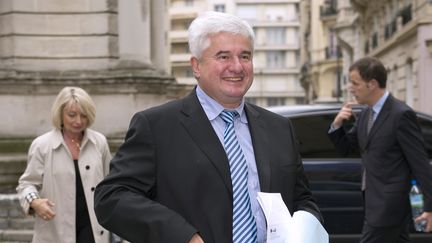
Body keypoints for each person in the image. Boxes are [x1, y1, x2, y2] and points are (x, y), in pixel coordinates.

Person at [94, 11, 322, 243]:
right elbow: (112, 198)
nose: (237, 67)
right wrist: (184, 236)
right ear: (196, 66)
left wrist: (304, 231)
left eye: (245, 56)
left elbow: (303, 200)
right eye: (223, 57)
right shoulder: (157, 127)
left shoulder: (279, 128)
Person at [328, 57, 432, 243]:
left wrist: (430, 207)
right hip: (372, 200)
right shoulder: (366, 112)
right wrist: (337, 125)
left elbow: (420, 163)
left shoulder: (401, 114)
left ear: (372, 84)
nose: (350, 88)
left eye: (355, 83)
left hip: (390, 204)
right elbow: (347, 149)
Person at [16, 86, 112, 243]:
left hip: (94, 228)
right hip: (55, 229)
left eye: (84, 115)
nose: (78, 121)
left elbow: (110, 181)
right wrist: (35, 202)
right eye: (72, 115)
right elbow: (26, 184)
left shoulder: (99, 142)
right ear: (60, 114)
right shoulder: (42, 145)